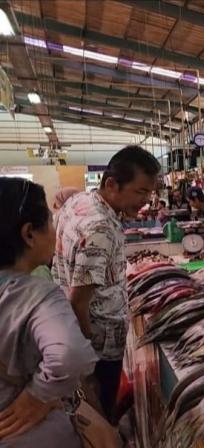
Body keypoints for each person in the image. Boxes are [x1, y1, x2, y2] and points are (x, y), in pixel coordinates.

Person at [52, 145, 160, 419]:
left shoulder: (78, 203)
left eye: (149, 192)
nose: (146, 200)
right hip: (98, 349)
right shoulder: (100, 226)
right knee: (100, 413)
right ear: (112, 183)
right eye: (140, 191)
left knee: (89, 413)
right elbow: (78, 301)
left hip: (79, 339)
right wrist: (87, 348)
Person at [0, 179, 97, 447]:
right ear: (29, 233)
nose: (56, 230)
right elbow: (70, 356)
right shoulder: (37, 294)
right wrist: (37, 395)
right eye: (51, 222)